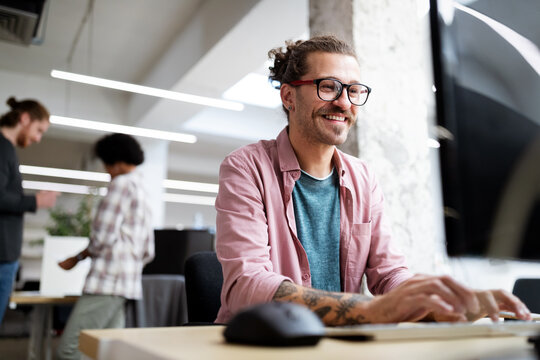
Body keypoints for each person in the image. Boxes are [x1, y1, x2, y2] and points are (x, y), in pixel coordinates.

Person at [215, 35, 532, 326]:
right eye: (328, 87)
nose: (343, 102)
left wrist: (444, 302)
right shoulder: (246, 168)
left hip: (340, 345)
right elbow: (247, 285)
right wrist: (370, 310)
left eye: (353, 90)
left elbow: (389, 274)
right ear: (288, 96)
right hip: (262, 344)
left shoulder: (362, 178)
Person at [56, 133, 154, 360]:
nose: (105, 170)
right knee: (104, 352)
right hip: (126, 285)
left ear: (115, 161)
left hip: (107, 281)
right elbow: (149, 250)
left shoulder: (120, 185)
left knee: (71, 349)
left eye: (105, 163)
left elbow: (102, 237)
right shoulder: (143, 189)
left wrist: (78, 257)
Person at [0, 97, 59, 325]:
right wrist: (36, 201)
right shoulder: (3, 148)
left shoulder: (7, 150)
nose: (37, 138)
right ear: (24, 119)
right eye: (38, 130)